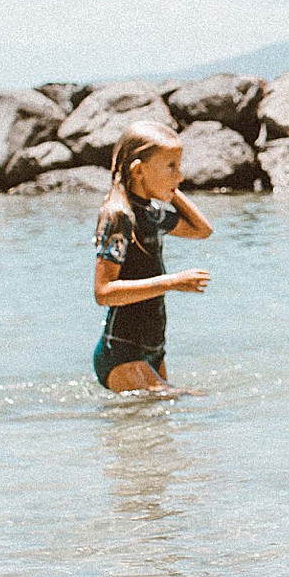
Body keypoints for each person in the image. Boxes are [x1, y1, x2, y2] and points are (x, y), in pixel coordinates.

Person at [92, 124, 212, 391]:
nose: (179, 176)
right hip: (123, 352)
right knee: (189, 405)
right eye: (171, 166)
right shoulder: (119, 216)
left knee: (155, 431)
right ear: (138, 170)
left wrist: (170, 191)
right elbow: (104, 292)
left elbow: (202, 230)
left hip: (153, 349)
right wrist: (171, 282)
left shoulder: (152, 214)